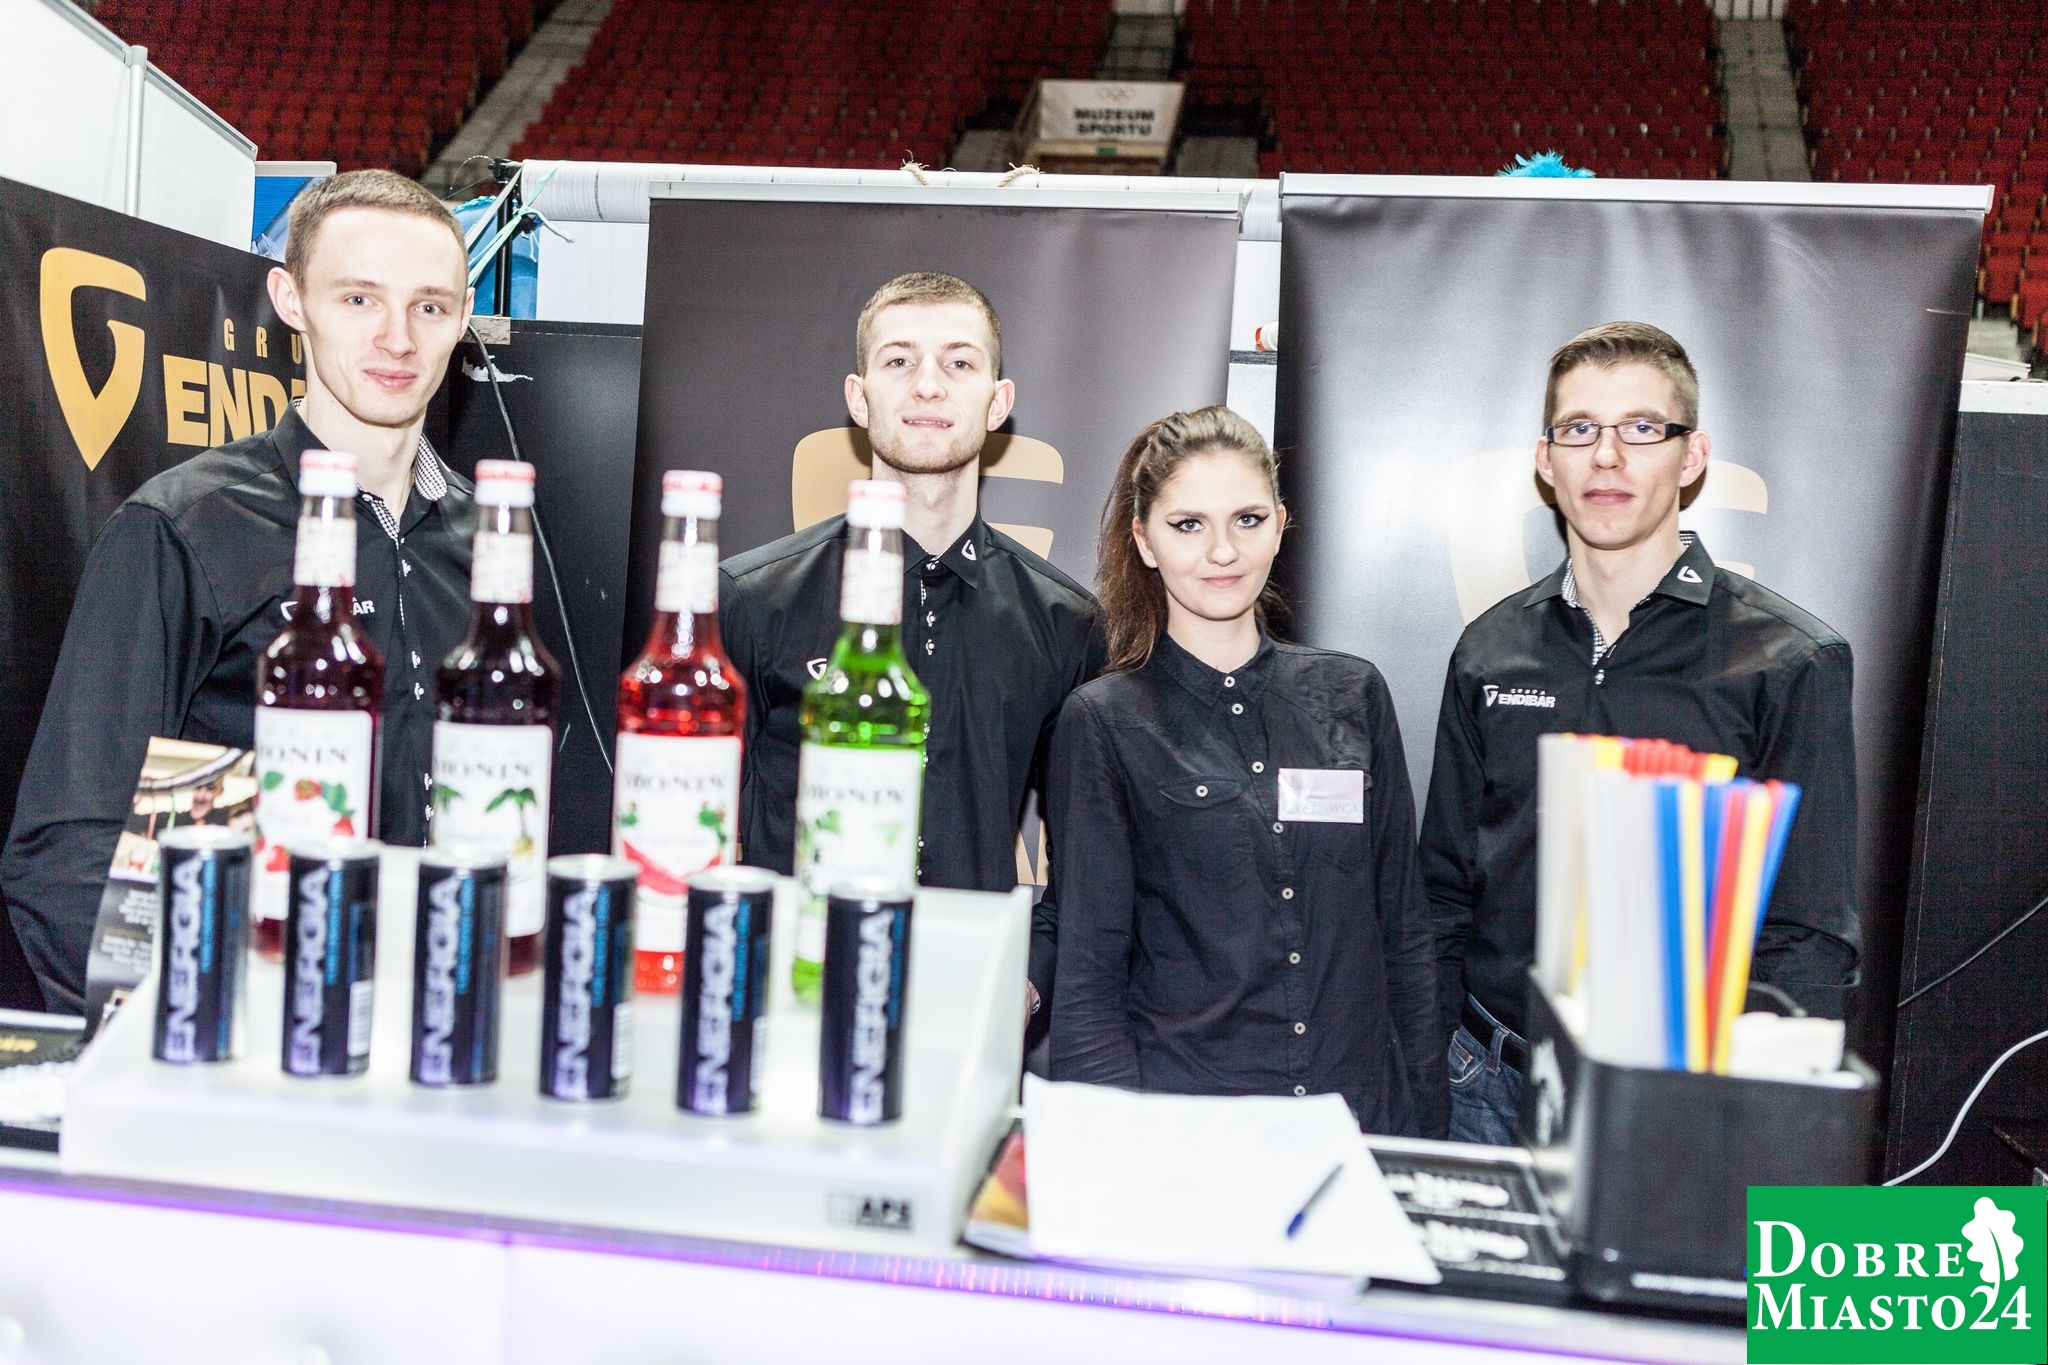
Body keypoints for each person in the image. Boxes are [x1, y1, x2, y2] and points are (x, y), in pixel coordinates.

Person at [4, 170, 479, 1013]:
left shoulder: (492, 545)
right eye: (360, 299)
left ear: (464, 316)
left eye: (429, 306)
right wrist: (206, 1038)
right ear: (291, 300)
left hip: (440, 1025)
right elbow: (70, 853)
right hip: (247, 1035)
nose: (398, 338)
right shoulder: (185, 527)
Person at [1421, 321, 1859, 1147]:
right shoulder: (1489, 648)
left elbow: (1806, 930)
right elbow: (1443, 890)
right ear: (1546, 460)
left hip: (1677, 1104)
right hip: (1485, 1085)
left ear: (1692, 457)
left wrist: (1752, 1121)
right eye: (1580, 428)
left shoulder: (1787, 659)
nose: (1607, 455)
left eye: (1642, 428)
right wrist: (1429, 1067)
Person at [719, 272, 1101, 1031]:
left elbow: (1089, 853)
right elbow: (697, 826)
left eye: (960, 362)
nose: (929, 384)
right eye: (899, 361)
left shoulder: (1064, 623)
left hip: (968, 1008)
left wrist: (1031, 975)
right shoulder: (754, 600)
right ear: (859, 399)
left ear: (998, 401)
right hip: (791, 1002)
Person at [1046, 407, 1443, 1135]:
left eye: (1248, 520)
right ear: (1144, 541)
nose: (1223, 550)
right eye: (1188, 525)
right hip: (1192, 1136)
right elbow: (1088, 982)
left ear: (1281, 525)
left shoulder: (1352, 694)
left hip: (1356, 1126)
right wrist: (1113, 1154)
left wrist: (1422, 1136)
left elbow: (1406, 939)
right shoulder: (1102, 723)